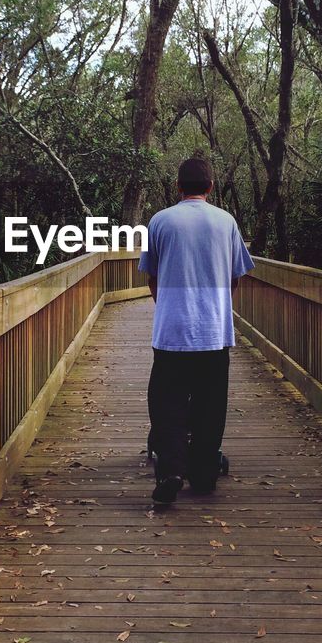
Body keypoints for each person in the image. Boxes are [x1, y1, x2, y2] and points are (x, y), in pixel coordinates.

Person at [137, 157, 254, 504]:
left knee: (166, 402)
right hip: (214, 332)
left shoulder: (160, 221)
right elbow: (235, 277)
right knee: (210, 403)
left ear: (178, 187)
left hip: (172, 331)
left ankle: (171, 470)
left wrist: (169, 311)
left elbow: (152, 276)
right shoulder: (226, 222)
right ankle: (203, 474)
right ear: (210, 188)